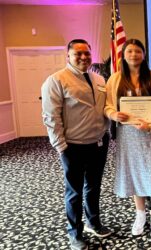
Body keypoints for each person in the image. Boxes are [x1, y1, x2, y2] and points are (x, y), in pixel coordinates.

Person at [41, 39, 111, 250]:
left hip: (98, 142)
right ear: (68, 56)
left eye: (87, 54)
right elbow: (50, 116)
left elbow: (105, 106)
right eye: (77, 54)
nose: (83, 57)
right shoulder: (55, 80)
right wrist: (60, 146)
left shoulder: (98, 78)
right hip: (72, 146)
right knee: (74, 191)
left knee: (93, 186)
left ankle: (93, 222)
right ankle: (75, 233)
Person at [104, 39, 151, 243]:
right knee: (134, 174)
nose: (134, 54)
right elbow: (107, 107)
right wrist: (114, 115)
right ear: (124, 54)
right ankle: (140, 214)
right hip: (128, 136)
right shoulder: (114, 79)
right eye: (130, 51)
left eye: (138, 51)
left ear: (144, 54)